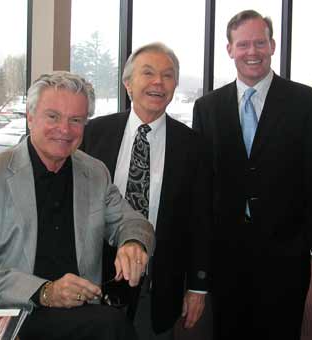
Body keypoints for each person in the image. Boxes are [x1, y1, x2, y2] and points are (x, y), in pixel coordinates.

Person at [0, 71, 155, 340]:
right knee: (111, 326)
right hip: (12, 313)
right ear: (30, 116)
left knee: (111, 324)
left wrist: (133, 243)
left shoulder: (94, 173)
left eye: (76, 120)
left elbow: (133, 222)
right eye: (53, 116)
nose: (65, 130)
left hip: (80, 312)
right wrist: (44, 291)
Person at [192, 9, 312, 340]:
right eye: (243, 44)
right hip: (226, 254)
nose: (252, 52)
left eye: (260, 42)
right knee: (229, 331)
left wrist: (311, 242)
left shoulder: (308, 103)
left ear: (273, 45)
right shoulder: (207, 108)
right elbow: (203, 185)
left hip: (287, 253)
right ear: (229, 49)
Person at [83, 42, 212, 340]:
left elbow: (201, 221)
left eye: (167, 75)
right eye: (148, 73)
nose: (158, 82)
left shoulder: (194, 147)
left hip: (157, 283)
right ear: (128, 83)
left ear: (175, 86)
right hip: (94, 281)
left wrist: (197, 287)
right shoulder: (93, 135)